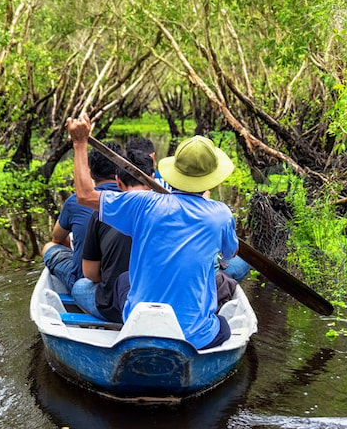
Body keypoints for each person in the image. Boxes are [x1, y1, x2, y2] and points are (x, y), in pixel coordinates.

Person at [66, 113, 239, 350]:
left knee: (123, 280)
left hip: (139, 328)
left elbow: (85, 195)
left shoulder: (143, 203)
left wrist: (79, 143)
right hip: (193, 337)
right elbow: (230, 253)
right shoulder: (221, 215)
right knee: (222, 322)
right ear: (210, 181)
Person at [127, 135, 250, 283]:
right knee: (239, 264)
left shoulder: (146, 204)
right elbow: (229, 252)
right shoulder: (221, 213)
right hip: (197, 283)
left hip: (153, 276)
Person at [69, 149, 155, 322]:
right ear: (152, 177)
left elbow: (91, 273)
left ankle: (104, 324)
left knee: (80, 286)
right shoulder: (170, 210)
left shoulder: (102, 213)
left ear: (117, 181)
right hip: (161, 302)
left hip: (115, 307)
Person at [40, 140, 122, 291]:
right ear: (120, 174)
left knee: (49, 247)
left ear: (91, 174)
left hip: (86, 280)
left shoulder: (75, 201)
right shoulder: (132, 201)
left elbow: (57, 239)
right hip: (118, 281)